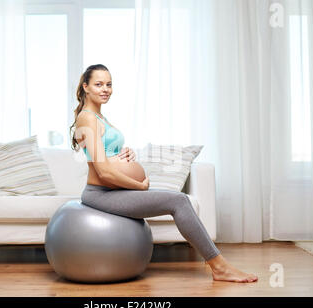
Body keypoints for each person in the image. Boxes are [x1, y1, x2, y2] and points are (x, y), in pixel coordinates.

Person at [69, 64, 258, 283]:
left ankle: (219, 266)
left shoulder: (99, 117)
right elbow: (103, 172)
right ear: (86, 87)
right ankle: (220, 267)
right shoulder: (87, 117)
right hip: (100, 193)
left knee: (178, 200)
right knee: (178, 201)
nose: (106, 89)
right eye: (99, 84)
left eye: (109, 84)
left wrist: (124, 153)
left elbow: (105, 155)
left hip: (113, 191)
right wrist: (138, 185)